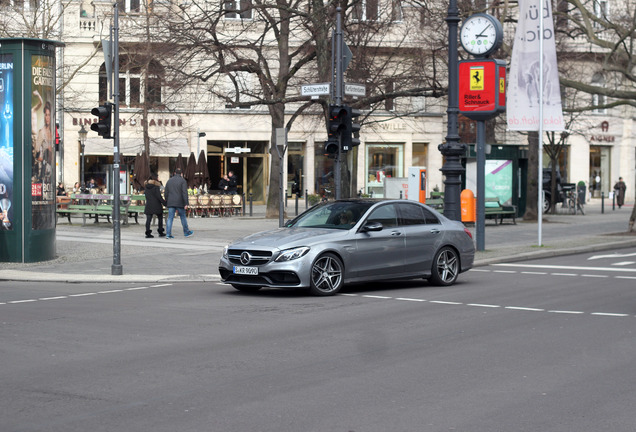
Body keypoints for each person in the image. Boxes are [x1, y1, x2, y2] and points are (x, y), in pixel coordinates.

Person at [164, 167, 193, 239]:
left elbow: (166, 192)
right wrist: (186, 203)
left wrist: (167, 200)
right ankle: (186, 232)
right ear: (181, 174)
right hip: (180, 202)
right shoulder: (183, 181)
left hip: (171, 202)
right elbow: (184, 193)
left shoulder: (169, 181)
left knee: (170, 218)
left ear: (174, 173)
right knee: (183, 217)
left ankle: (168, 234)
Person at [143, 173, 167, 238]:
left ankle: (148, 233)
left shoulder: (146, 187)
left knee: (148, 219)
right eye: (157, 177)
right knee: (160, 218)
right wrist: (165, 203)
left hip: (149, 205)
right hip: (156, 205)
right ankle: (160, 231)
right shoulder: (156, 187)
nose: (158, 179)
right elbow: (159, 197)